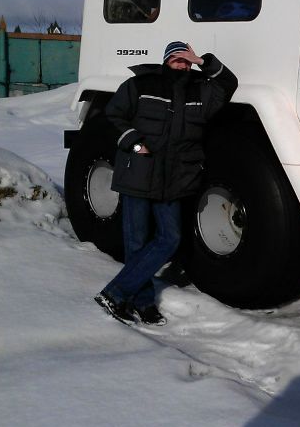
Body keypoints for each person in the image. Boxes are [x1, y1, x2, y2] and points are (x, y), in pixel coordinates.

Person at [94, 41, 237, 325]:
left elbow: (228, 83)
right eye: (176, 59)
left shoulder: (201, 91)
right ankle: (143, 303)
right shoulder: (141, 85)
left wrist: (201, 59)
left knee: (169, 238)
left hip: (174, 179)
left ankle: (117, 293)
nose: (181, 65)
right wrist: (135, 144)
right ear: (165, 61)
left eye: (185, 61)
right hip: (139, 173)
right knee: (137, 243)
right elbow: (114, 116)